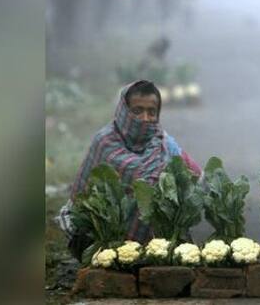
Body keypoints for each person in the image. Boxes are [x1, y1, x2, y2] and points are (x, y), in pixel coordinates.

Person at [56, 80, 202, 261]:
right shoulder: (105, 141)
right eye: (137, 111)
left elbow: (196, 175)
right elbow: (81, 197)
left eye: (152, 112)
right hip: (103, 237)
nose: (145, 118)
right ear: (124, 111)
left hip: (156, 241)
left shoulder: (164, 143)